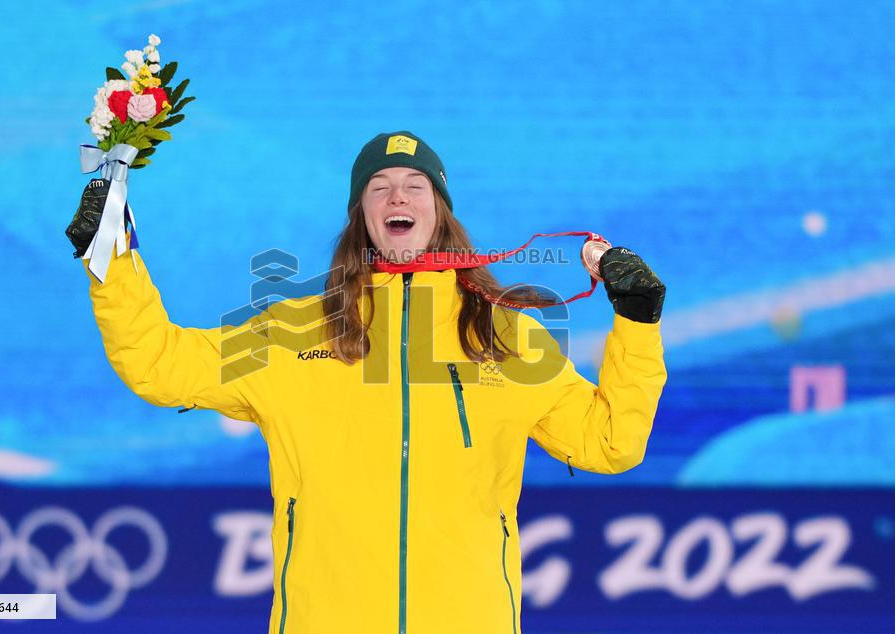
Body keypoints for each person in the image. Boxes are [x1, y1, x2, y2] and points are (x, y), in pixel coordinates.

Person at [66, 130, 667, 634]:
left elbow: (609, 442)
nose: (395, 196)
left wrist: (637, 321)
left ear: (440, 212)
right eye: (378, 188)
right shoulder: (293, 334)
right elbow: (158, 361)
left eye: (414, 186)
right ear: (362, 218)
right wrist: (114, 256)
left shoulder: (510, 340)